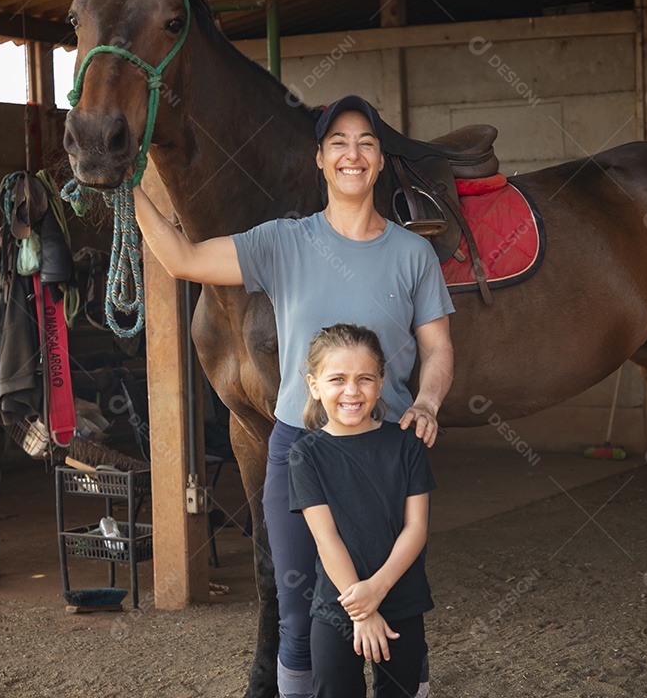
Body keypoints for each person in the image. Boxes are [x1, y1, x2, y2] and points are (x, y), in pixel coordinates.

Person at [131, 95, 454, 698]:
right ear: (320, 160)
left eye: (365, 143)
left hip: (386, 450)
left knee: (400, 603)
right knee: (295, 605)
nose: (352, 154)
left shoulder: (413, 253)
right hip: (299, 447)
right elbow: (183, 258)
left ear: (380, 161)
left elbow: (437, 349)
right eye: (339, 144)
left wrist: (429, 402)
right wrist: (131, 189)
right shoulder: (283, 242)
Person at [288, 324, 435, 698]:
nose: (352, 391)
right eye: (337, 378)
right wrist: (362, 609)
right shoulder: (305, 455)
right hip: (339, 607)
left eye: (364, 378)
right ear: (314, 385)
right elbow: (326, 537)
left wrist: (377, 590)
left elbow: (415, 528)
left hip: (401, 600)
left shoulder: (407, 446)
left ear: (381, 382)